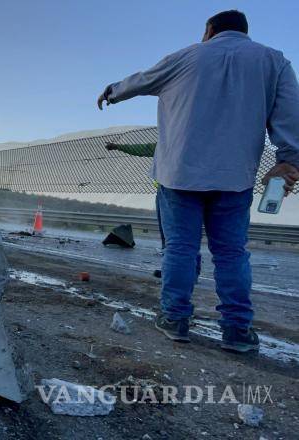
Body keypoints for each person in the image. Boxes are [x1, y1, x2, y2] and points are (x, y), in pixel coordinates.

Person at [97, 10, 299, 353]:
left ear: (209, 30)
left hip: (180, 174)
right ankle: (237, 330)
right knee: (232, 252)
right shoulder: (273, 61)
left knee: (180, 247)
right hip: (234, 176)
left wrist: (113, 92)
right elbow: (290, 112)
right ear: (244, 32)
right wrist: (289, 159)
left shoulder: (186, 55)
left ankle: (175, 319)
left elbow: (143, 79)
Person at [105, 141, 202, 280]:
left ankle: (183, 272)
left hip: (176, 192)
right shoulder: (173, 143)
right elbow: (142, 148)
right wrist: (118, 146)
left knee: (176, 236)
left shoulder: (173, 142)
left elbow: (143, 148)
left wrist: (118, 146)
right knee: (177, 235)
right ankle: (174, 270)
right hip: (172, 191)